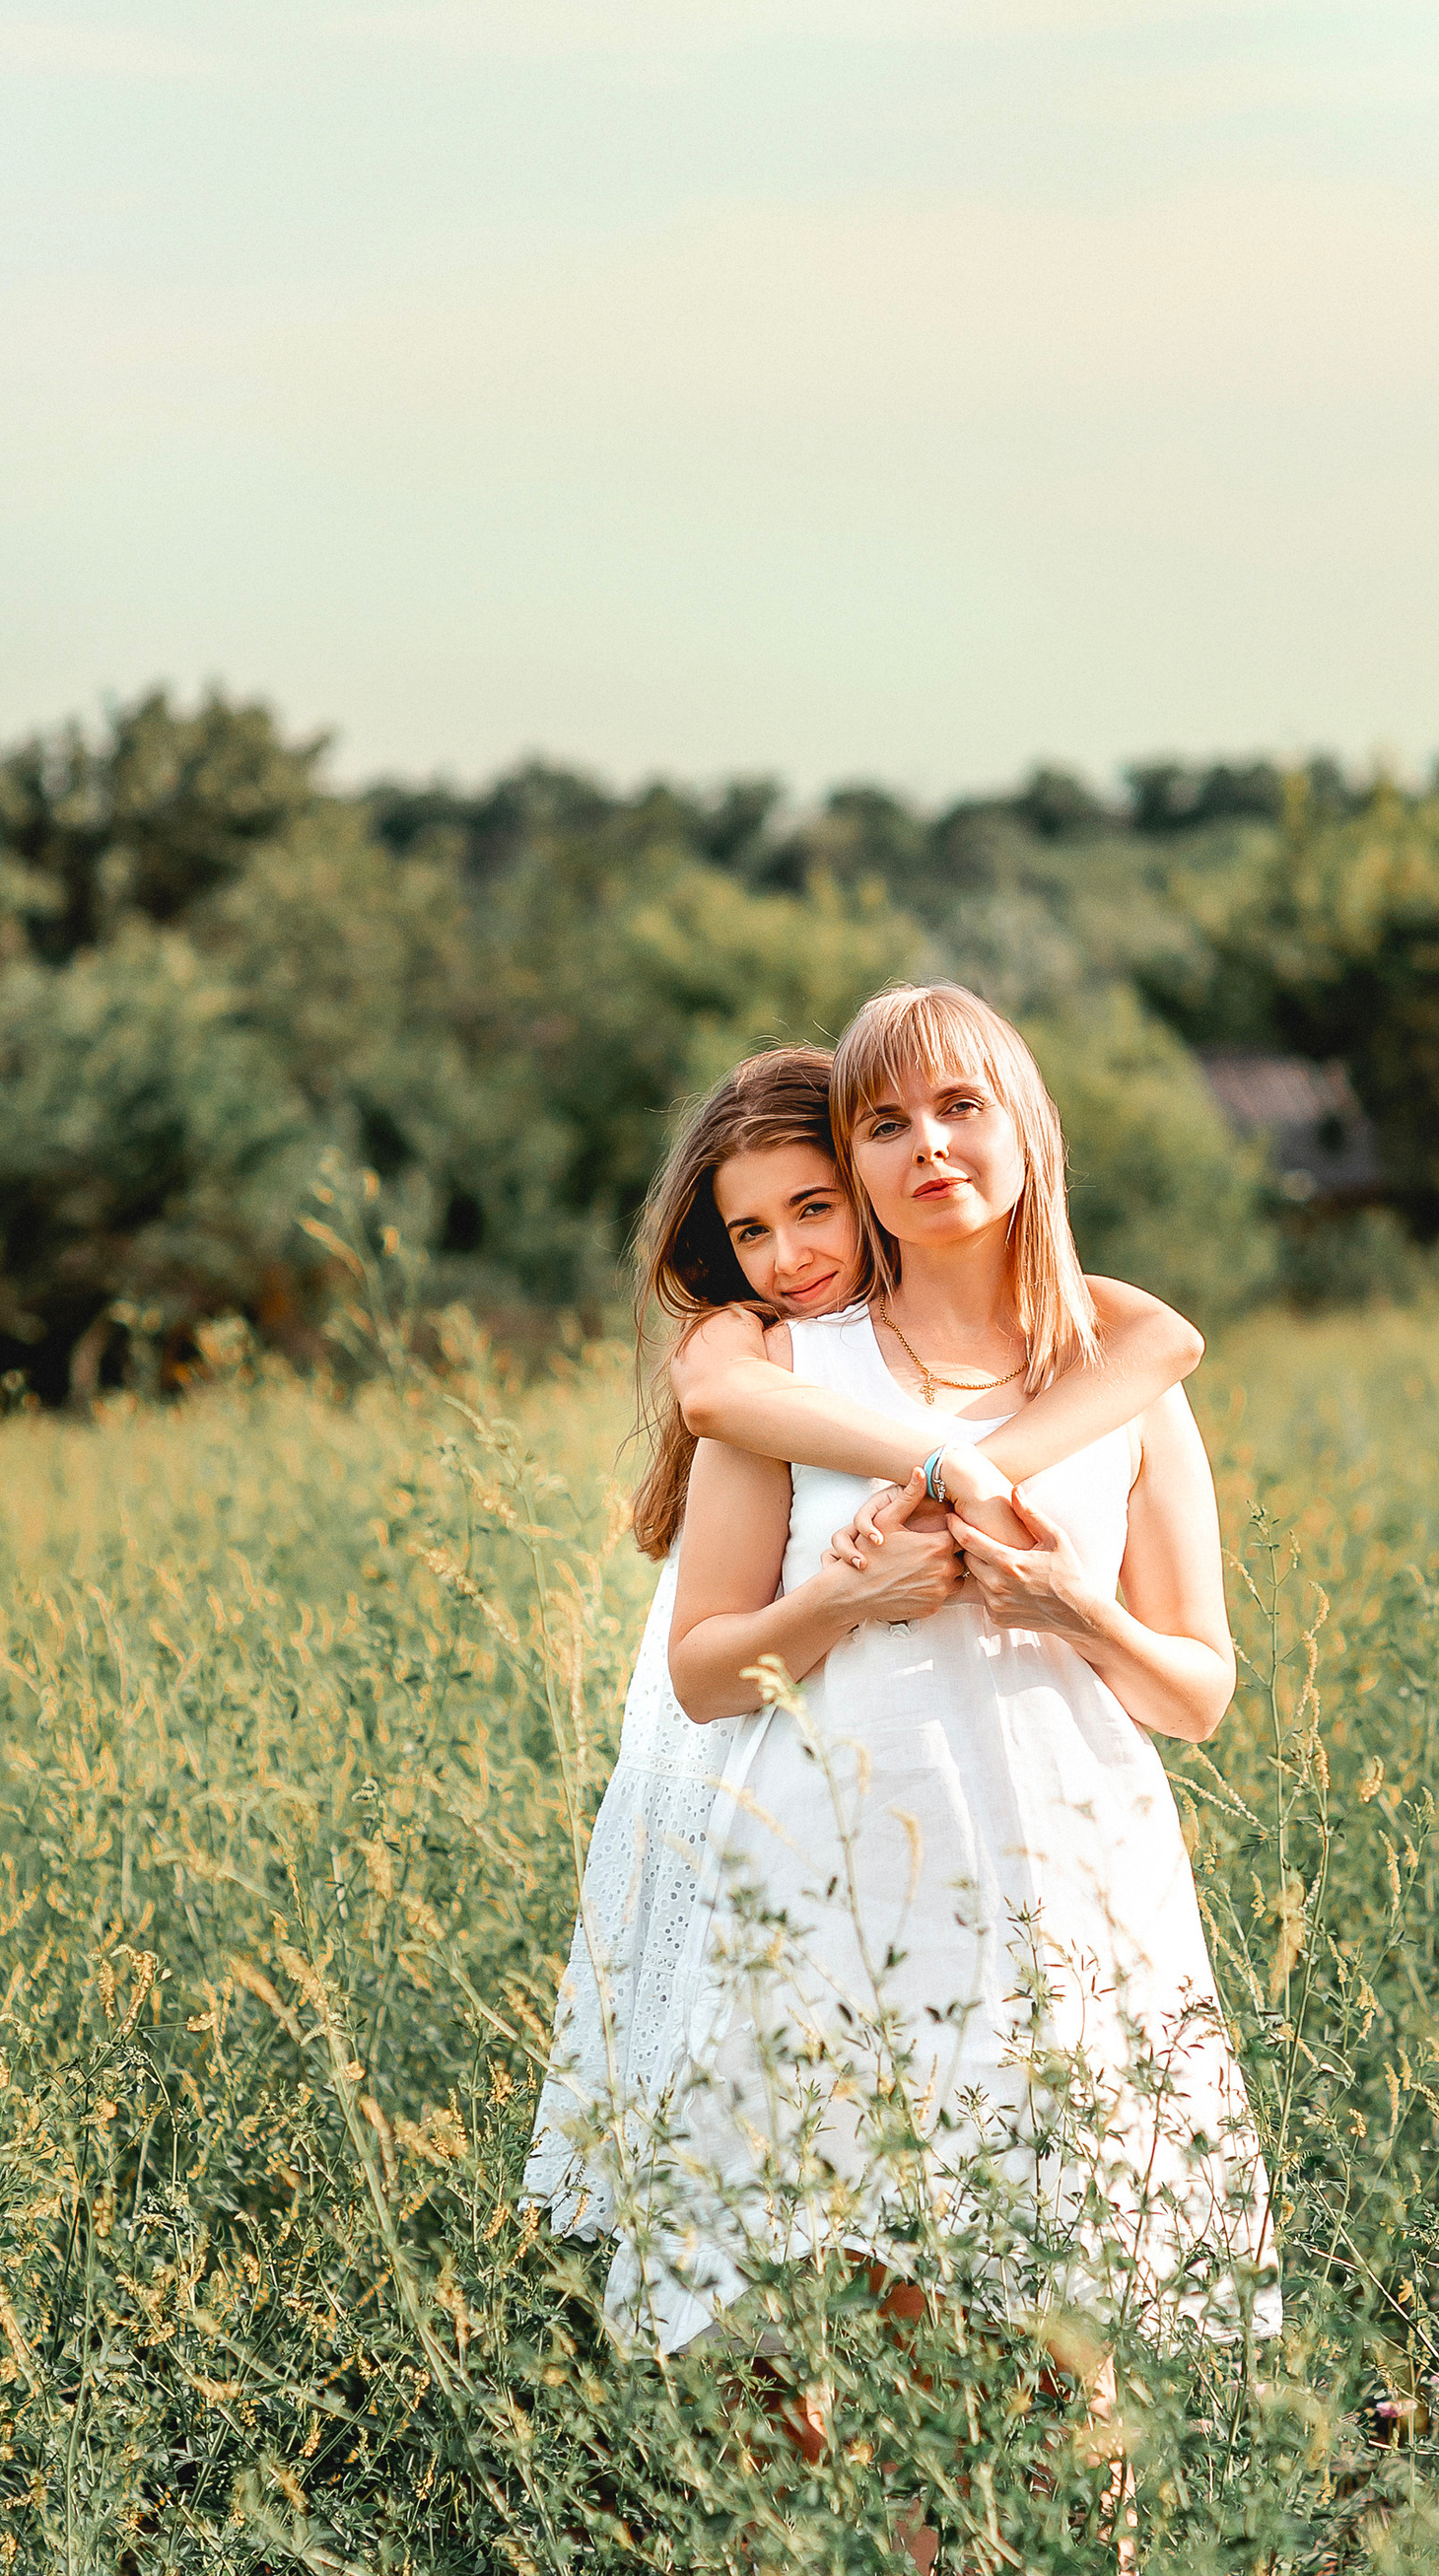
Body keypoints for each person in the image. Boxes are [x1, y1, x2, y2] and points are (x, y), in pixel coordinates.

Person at [631, 982, 1276, 2363]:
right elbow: (704, 1674)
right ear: (853, 1164)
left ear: (1026, 1127)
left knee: (1078, 2317)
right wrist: (842, 1597)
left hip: (1072, 1886)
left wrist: (1072, 1606)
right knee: (869, 2342)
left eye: (961, 1108)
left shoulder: (1122, 1379)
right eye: (884, 1125)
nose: (927, 1147)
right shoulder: (795, 1370)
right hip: (845, 1895)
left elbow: (1197, 1693)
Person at [523, 1044, 1208, 2252]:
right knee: (847, 2282)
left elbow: (1164, 1340)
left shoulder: (1103, 1355)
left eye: (810, 1208)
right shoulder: (766, 1359)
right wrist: (914, 1505)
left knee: (1083, 2265)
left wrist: (1071, 1601)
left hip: (1068, 1866)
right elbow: (714, 1418)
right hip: (835, 1851)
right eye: (748, 1233)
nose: (786, 1258)